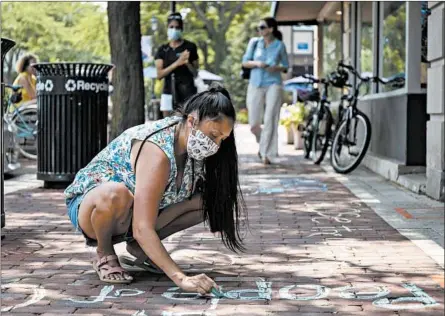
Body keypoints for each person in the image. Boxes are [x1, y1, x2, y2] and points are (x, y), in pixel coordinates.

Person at [64, 83, 246, 294]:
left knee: (209, 200)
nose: (216, 145)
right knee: (115, 194)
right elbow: (142, 226)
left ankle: (141, 249)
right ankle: (104, 253)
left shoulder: (192, 149)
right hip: (93, 207)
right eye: (214, 135)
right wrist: (181, 278)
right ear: (192, 121)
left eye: (222, 139)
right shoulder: (158, 150)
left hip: (132, 215)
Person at [242, 17, 289, 165]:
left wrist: (276, 68)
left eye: (262, 27)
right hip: (255, 84)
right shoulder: (254, 43)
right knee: (254, 124)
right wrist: (258, 63)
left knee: (270, 118)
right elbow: (245, 62)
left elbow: (286, 65)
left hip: (273, 83)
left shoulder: (279, 45)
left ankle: (265, 153)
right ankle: (263, 143)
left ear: (271, 29)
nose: (259, 30)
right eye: (259, 27)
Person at [155, 12, 199, 118]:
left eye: (177, 27)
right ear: (167, 28)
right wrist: (178, 62)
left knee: (186, 123)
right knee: (167, 125)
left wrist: (187, 62)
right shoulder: (163, 49)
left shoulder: (190, 47)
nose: (174, 29)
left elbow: (196, 73)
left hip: (187, 92)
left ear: (181, 28)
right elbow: (159, 74)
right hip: (168, 91)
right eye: (171, 27)